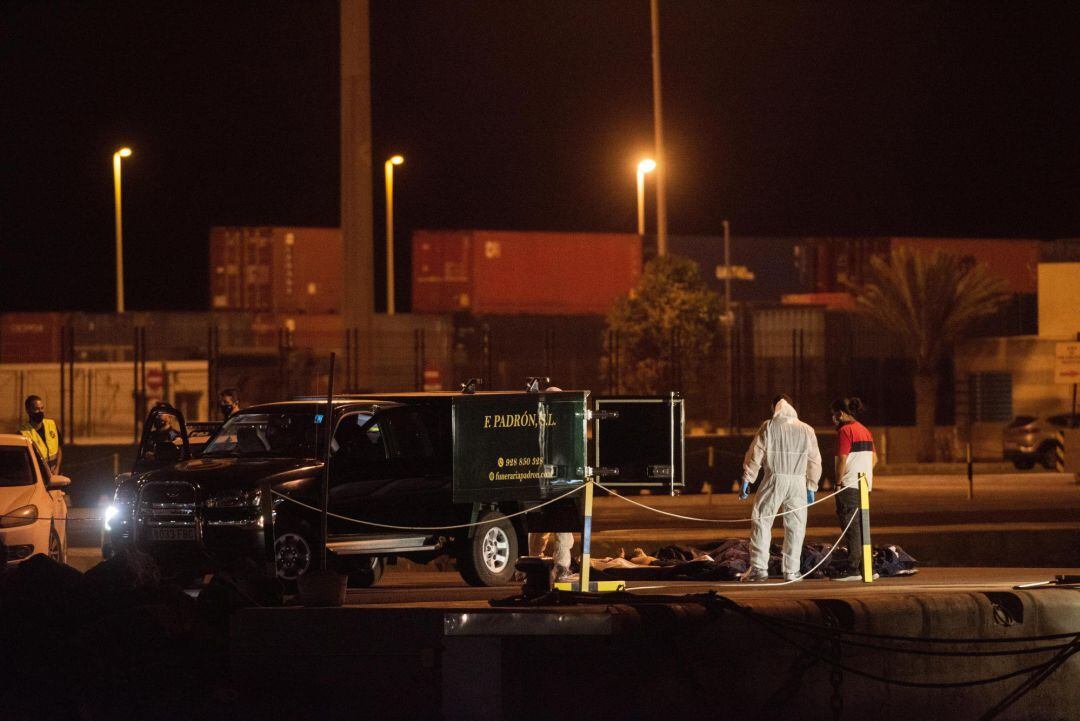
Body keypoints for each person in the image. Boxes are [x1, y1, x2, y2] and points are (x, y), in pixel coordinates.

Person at [738, 394, 822, 582]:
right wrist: (811, 485)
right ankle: (792, 571)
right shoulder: (807, 429)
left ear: (774, 407)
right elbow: (815, 460)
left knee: (762, 520)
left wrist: (747, 478)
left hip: (774, 479)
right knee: (796, 526)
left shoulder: (768, 426)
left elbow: (755, 454)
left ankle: (759, 568)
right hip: (798, 482)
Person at [830, 397, 879, 582]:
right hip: (864, 484)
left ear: (841, 414)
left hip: (849, 485)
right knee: (862, 525)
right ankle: (868, 567)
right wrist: (863, 472)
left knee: (851, 526)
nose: (833, 419)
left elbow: (842, 458)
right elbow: (875, 459)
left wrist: (838, 482)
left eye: (834, 415)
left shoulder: (845, 431)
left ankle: (853, 569)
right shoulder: (864, 430)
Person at [19, 395, 62, 474]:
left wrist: (57, 469)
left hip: (55, 476)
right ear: (28, 411)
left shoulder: (52, 425)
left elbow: (59, 449)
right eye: (36, 409)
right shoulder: (22, 433)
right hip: (39, 478)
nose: (40, 411)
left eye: (42, 408)